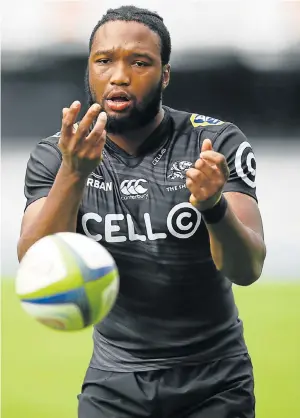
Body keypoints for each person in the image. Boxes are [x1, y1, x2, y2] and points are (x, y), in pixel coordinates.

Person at [18, 5, 266, 418]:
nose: (119, 75)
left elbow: (248, 269)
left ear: (165, 75)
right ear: (89, 70)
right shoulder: (56, 154)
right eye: (104, 61)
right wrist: (74, 173)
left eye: (139, 62)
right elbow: (34, 260)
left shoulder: (214, 143)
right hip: (114, 385)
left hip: (215, 383)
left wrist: (213, 206)